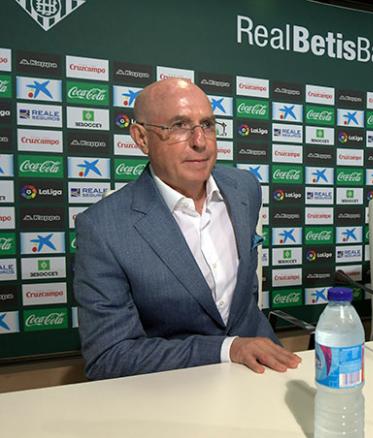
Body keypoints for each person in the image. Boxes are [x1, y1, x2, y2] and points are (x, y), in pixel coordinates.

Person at [74, 78, 300, 379]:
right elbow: (109, 356)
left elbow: (244, 297)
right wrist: (227, 349)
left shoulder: (245, 189)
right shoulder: (102, 228)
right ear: (141, 138)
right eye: (179, 126)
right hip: (176, 387)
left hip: (263, 372)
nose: (200, 141)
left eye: (207, 125)